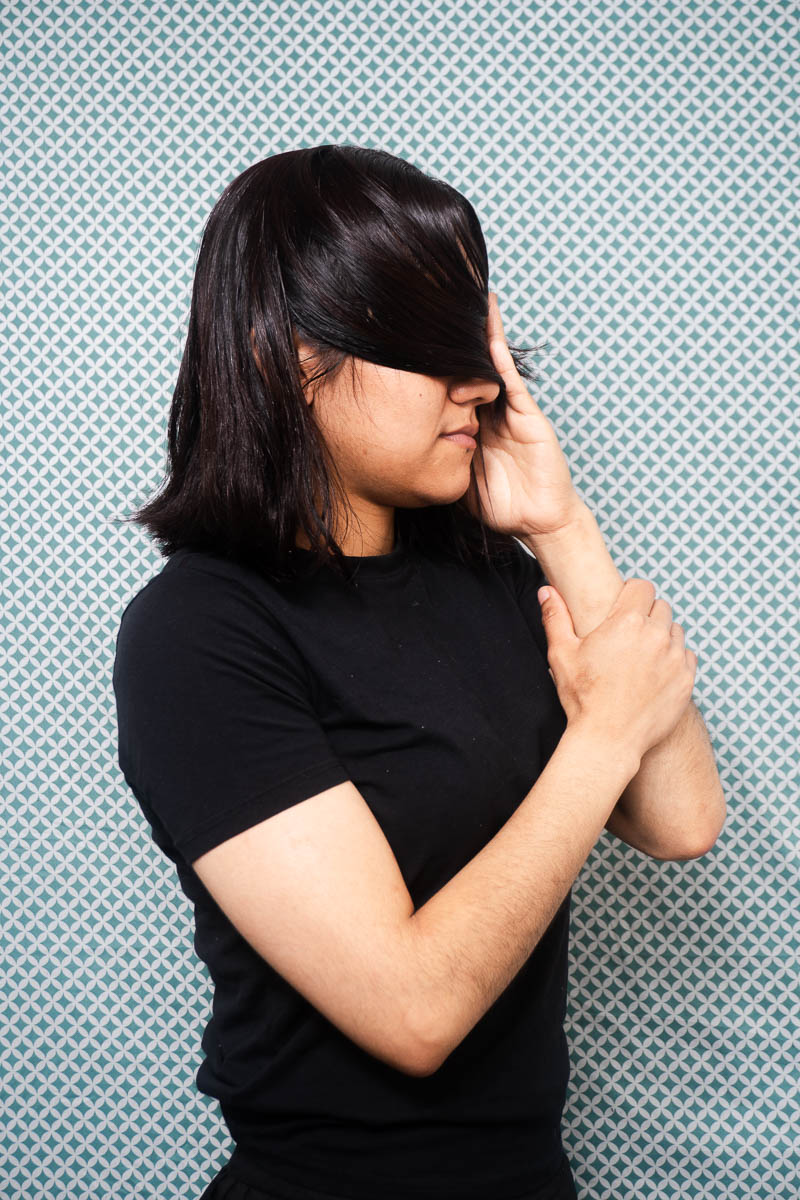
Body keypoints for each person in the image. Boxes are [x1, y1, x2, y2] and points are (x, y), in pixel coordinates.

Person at [111, 145, 725, 1200]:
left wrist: (558, 520)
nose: (482, 382)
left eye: (473, 340)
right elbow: (412, 1013)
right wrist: (599, 737)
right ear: (285, 357)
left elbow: (680, 820)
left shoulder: (491, 576)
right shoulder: (197, 634)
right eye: (426, 346)